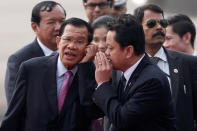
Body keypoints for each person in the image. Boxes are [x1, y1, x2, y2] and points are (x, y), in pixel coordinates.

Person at [0, 17, 102, 131]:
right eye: (67, 39)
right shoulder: (31, 69)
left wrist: (85, 66)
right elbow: (13, 116)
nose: (72, 46)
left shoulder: (96, 74)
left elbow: (93, 112)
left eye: (79, 42)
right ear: (58, 42)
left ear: (88, 47)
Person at [92, 14, 176, 131]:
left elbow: (122, 120)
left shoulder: (151, 80)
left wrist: (102, 83)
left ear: (128, 51)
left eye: (110, 48)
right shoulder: (125, 71)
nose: (106, 53)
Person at [134, 4, 197, 131]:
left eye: (163, 22)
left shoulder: (188, 63)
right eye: (151, 23)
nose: (159, 27)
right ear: (137, 28)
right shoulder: (125, 64)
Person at [4, 1, 66, 104]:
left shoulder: (74, 55)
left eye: (62, 21)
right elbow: (15, 105)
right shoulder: (19, 59)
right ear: (34, 26)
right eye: (51, 22)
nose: (58, 27)